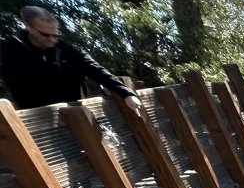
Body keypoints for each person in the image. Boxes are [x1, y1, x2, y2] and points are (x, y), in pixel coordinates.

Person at [0, 6, 143, 112]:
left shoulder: (69, 51)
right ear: (28, 27)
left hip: (76, 114)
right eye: (45, 34)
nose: (52, 39)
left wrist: (127, 94)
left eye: (55, 35)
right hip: (37, 117)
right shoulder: (11, 51)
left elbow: (99, 72)